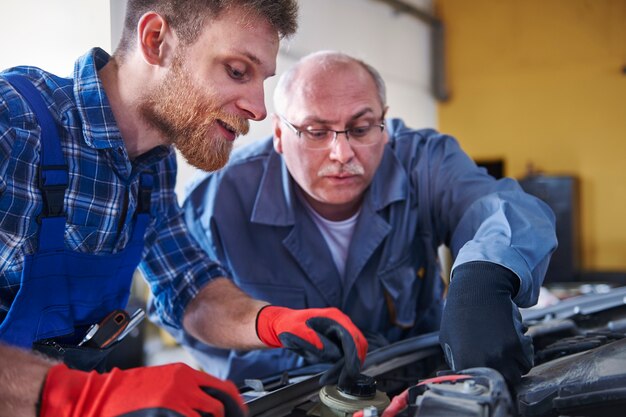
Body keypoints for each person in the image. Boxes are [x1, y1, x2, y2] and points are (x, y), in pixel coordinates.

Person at [0, 3, 370, 417]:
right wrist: (80, 397)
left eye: (261, 80)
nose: (258, 108)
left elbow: (187, 287)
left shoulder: (154, 165)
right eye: (236, 71)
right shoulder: (12, 124)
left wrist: (271, 323)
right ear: (156, 40)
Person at [167, 50, 558, 387]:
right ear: (280, 136)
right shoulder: (216, 202)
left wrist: (483, 279)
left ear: (384, 123)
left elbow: (500, 207)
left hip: (415, 389)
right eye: (316, 131)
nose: (341, 153)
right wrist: (294, 362)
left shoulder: (421, 162)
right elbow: (185, 312)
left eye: (360, 128)